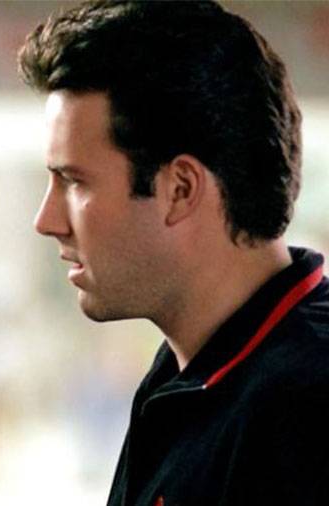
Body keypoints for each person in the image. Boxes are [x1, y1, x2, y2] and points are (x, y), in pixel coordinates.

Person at [19, 1, 329, 505]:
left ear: (181, 190)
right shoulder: (186, 372)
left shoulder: (305, 411)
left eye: (74, 182)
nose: (46, 220)